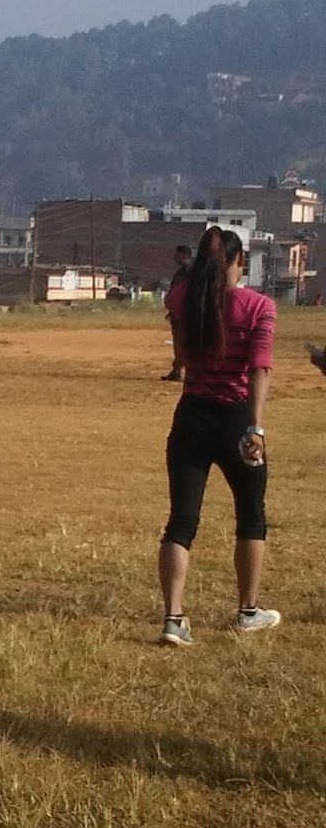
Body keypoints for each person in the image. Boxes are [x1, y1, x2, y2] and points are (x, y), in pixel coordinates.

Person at [156, 227, 276, 646]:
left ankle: (173, 619)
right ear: (240, 261)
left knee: (182, 520)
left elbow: (180, 349)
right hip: (236, 419)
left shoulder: (181, 300)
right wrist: (255, 427)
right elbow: (259, 368)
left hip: (191, 417)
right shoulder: (259, 307)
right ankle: (247, 610)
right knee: (251, 514)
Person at [160, 244, 194, 381]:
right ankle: (177, 369)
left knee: (185, 342)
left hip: (186, 313)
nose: (174, 257)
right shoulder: (180, 272)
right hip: (177, 313)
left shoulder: (191, 272)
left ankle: (188, 371)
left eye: (177, 254)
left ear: (184, 255)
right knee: (178, 342)